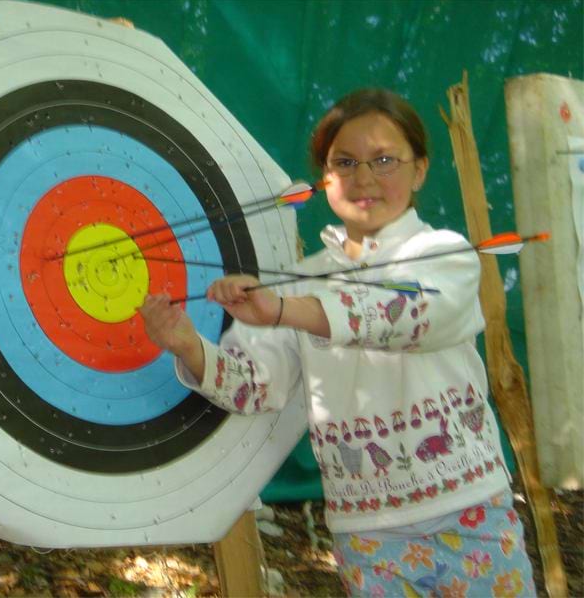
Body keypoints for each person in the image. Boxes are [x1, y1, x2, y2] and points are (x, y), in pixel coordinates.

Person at [139, 88, 536, 597]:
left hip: (470, 510)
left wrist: (286, 310)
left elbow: (408, 315)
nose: (364, 178)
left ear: (419, 170)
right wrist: (188, 346)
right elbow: (257, 387)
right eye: (344, 162)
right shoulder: (299, 282)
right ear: (325, 178)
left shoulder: (442, 253)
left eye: (385, 160)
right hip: (367, 529)